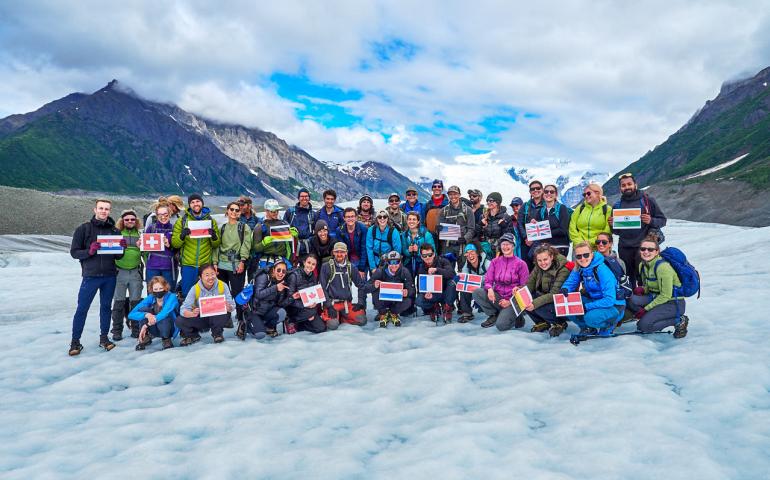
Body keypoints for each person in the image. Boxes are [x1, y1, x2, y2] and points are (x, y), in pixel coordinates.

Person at [68, 199, 125, 355]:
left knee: (106, 308)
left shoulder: (114, 231)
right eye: (101, 208)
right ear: (95, 209)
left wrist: (122, 249)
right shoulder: (84, 229)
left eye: (106, 209)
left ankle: (104, 338)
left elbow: (118, 257)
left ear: (110, 211)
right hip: (91, 276)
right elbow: (74, 252)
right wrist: (89, 252)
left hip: (109, 276)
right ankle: (75, 342)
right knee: (82, 308)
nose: (103, 211)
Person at [610, 173, 667, 287]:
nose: (627, 187)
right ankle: (631, 301)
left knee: (644, 277)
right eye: (623, 185)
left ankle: (644, 300)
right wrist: (612, 225)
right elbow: (617, 232)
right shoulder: (617, 205)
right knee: (628, 277)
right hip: (624, 247)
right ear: (620, 188)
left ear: (635, 184)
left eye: (629, 184)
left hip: (643, 247)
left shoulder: (647, 201)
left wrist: (650, 220)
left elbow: (662, 220)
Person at [559, 242, 625, 336]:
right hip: (595, 300)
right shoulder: (580, 267)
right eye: (579, 256)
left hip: (614, 305)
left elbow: (609, 300)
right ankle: (588, 328)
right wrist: (565, 289)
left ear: (592, 254)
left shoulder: (602, 270)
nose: (582, 259)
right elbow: (571, 281)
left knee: (590, 318)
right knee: (570, 306)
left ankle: (609, 324)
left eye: (586, 255)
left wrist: (587, 307)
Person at [627, 237, 688, 338]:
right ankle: (650, 315)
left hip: (673, 302)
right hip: (655, 297)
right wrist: (643, 289)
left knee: (643, 326)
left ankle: (679, 320)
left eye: (650, 249)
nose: (646, 252)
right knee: (630, 300)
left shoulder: (663, 268)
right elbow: (649, 286)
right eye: (643, 249)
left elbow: (666, 295)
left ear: (657, 252)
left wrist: (646, 309)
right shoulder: (642, 265)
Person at [473, 233, 530, 330]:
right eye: (503, 244)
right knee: (477, 292)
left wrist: (509, 302)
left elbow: (524, 287)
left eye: (508, 244)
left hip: (513, 300)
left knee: (501, 326)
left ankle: (518, 317)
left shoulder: (521, 264)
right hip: (498, 297)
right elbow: (488, 280)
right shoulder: (495, 262)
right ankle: (494, 314)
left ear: (513, 246)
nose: (505, 246)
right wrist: (490, 289)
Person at [171, 193, 221, 298]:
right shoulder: (182, 221)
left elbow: (216, 244)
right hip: (188, 264)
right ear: (189, 205)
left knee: (205, 294)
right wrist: (182, 236)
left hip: (205, 265)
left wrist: (214, 237)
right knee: (187, 294)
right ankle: (188, 314)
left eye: (197, 201)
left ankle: (204, 314)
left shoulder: (211, 221)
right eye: (192, 202)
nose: (195, 204)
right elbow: (175, 243)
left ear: (202, 203)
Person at [214, 201, 253, 329]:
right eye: (232, 209)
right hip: (221, 265)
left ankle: (241, 318)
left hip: (236, 265)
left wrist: (242, 261)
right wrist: (214, 263)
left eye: (237, 210)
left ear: (240, 212)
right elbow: (216, 247)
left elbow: (246, 245)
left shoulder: (244, 227)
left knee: (237, 293)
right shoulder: (222, 228)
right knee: (222, 293)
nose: (234, 212)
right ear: (227, 211)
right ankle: (225, 318)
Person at [175, 264, 235, 345]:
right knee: (179, 320)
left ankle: (217, 334)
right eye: (207, 275)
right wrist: (191, 313)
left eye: (212, 274)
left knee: (224, 312)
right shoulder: (195, 288)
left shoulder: (222, 285)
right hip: (201, 318)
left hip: (217, 318)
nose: (210, 277)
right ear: (200, 277)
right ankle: (193, 335)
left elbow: (232, 304)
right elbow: (184, 308)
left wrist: (229, 307)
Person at [236, 259, 292, 339]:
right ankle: (244, 325)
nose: (281, 273)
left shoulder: (282, 282)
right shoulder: (264, 276)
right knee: (260, 335)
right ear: (273, 269)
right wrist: (275, 288)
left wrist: (289, 296)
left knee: (282, 312)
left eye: (283, 271)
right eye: (278, 270)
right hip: (255, 311)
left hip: (267, 311)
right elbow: (258, 294)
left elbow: (279, 304)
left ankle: (267, 327)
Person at [110, 210, 144, 341]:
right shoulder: (116, 234)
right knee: (118, 302)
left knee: (135, 303)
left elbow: (145, 253)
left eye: (132, 219)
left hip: (135, 272)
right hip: (119, 272)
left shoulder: (141, 234)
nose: (130, 221)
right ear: (122, 221)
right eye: (127, 219)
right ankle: (117, 330)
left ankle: (136, 329)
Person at [525, 244, 571, 337]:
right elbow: (529, 284)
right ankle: (542, 323)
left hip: (560, 301)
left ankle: (560, 322)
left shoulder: (563, 269)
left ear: (551, 257)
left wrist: (535, 303)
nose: (542, 263)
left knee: (538, 306)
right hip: (545, 296)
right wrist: (521, 292)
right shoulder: (538, 267)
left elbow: (554, 294)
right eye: (539, 260)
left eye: (545, 259)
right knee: (525, 300)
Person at [319, 242, 367, 329]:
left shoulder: (350, 267)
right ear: (333, 252)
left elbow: (361, 285)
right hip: (332, 304)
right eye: (337, 252)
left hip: (346, 304)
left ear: (346, 253)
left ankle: (342, 318)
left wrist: (360, 302)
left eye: (342, 252)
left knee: (362, 320)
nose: (339, 254)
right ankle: (333, 317)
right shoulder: (326, 266)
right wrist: (329, 305)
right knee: (333, 325)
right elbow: (322, 288)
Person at [128, 276, 179, 351]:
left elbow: (164, 314)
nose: (158, 291)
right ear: (152, 289)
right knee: (144, 309)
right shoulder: (151, 297)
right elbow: (131, 314)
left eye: (161, 288)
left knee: (164, 316)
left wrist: (145, 325)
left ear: (165, 287)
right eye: (155, 289)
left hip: (169, 328)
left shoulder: (172, 297)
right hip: (155, 328)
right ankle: (146, 337)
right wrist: (146, 314)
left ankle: (166, 339)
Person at [369, 251, 415, 327]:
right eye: (391, 262)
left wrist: (407, 291)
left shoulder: (405, 272)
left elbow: (412, 289)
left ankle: (393, 312)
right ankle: (383, 313)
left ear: (400, 262)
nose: (394, 265)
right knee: (375, 291)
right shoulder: (380, 271)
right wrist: (374, 285)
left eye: (396, 262)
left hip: (396, 300)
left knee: (408, 301)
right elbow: (367, 286)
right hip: (384, 299)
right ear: (387, 262)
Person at [415, 243, 458, 323]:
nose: (427, 257)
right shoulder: (421, 268)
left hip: (445, 292)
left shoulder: (443, 261)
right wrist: (425, 293)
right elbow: (420, 288)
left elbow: (452, 274)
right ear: (421, 257)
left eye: (430, 255)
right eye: (424, 256)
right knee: (419, 300)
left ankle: (447, 307)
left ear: (434, 254)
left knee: (452, 283)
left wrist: (437, 270)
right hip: (433, 294)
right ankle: (433, 307)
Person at [284, 254, 326, 334]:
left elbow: (314, 294)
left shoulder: (313, 276)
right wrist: (305, 305)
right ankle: (290, 321)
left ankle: (299, 325)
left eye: (313, 264)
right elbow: (289, 299)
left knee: (321, 328)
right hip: (294, 308)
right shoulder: (294, 276)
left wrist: (315, 303)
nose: (310, 266)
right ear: (304, 262)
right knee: (311, 312)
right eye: (309, 262)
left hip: (308, 308)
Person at [437, 185, 475, 268]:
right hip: (448, 245)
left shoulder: (468, 210)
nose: (453, 196)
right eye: (450, 194)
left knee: (464, 269)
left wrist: (465, 238)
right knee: (447, 269)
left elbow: (471, 229)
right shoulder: (443, 211)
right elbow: (439, 229)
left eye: (455, 194)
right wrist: (438, 229)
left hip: (462, 246)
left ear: (459, 195)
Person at [252, 199, 295, 271]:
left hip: (282, 259)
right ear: (266, 211)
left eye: (277, 211)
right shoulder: (259, 226)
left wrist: (294, 236)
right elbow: (256, 248)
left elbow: (290, 245)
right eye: (272, 211)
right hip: (266, 260)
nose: (275, 213)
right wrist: (263, 243)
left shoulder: (284, 224)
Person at [568, 183, 612, 250]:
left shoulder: (607, 209)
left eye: (588, 193)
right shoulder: (579, 208)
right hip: (579, 248)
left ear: (597, 193)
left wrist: (591, 242)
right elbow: (572, 227)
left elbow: (607, 229)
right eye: (584, 194)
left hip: (599, 247)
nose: (586, 196)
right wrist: (580, 243)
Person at [143, 203, 176, 291]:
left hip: (168, 267)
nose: (163, 217)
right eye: (160, 215)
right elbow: (145, 247)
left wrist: (170, 245)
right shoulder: (151, 228)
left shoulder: (174, 229)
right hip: (152, 266)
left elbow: (178, 248)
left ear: (169, 214)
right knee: (152, 292)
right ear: (157, 215)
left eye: (166, 214)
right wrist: (140, 244)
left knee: (168, 292)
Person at [457, 243, 490, 323]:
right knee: (464, 286)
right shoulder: (467, 265)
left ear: (477, 253)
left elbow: (491, 278)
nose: (470, 255)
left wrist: (476, 281)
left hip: (487, 288)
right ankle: (467, 312)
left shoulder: (487, 263)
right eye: (467, 253)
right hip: (475, 287)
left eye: (472, 252)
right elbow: (465, 277)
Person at [517, 180, 545, 269]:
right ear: (530, 192)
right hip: (526, 243)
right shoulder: (525, 206)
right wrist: (525, 237)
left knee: (541, 266)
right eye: (533, 189)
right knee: (527, 266)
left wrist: (534, 239)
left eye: (538, 188)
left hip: (542, 242)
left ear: (542, 190)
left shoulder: (548, 204)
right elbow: (520, 222)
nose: (535, 190)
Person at [538, 184, 572, 257]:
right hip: (545, 247)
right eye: (546, 192)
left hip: (560, 246)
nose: (549, 193)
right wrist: (535, 224)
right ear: (543, 195)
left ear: (556, 195)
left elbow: (563, 230)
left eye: (552, 192)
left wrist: (545, 233)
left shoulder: (562, 208)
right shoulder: (541, 211)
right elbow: (539, 230)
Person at [284, 188, 317, 257]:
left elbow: (317, 232)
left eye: (306, 196)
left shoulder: (313, 214)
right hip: (293, 247)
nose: (304, 198)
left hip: (309, 247)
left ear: (309, 198)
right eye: (302, 196)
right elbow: (284, 228)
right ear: (298, 198)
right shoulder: (290, 212)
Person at [401, 211, 436, 276]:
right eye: (409, 219)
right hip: (408, 263)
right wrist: (409, 251)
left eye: (414, 219)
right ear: (407, 221)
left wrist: (418, 251)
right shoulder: (404, 235)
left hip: (423, 263)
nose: (411, 221)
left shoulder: (426, 234)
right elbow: (404, 250)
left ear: (418, 221)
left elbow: (433, 253)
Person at [337, 207, 368, 278]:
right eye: (348, 217)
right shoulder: (340, 230)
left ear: (356, 217)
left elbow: (364, 249)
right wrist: (345, 266)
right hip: (348, 260)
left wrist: (361, 268)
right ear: (344, 218)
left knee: (362, 283)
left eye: (352, 216)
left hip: (361, 260)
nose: (350, 219)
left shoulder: (363, 228)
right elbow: (342, 251)